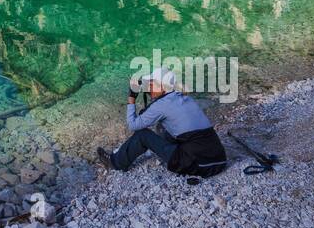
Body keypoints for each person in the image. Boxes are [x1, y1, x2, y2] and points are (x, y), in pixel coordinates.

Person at [97, 68, 227, 177]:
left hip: (197, 165)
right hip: (219, 161)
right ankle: (160, 150)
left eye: (152, 84)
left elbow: (133, 125)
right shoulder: (184, 97)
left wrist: (131, 98)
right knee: (162, 126)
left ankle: (115, 162)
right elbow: (164, 109)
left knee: (143, 135)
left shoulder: (161, 105)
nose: (149, 86)